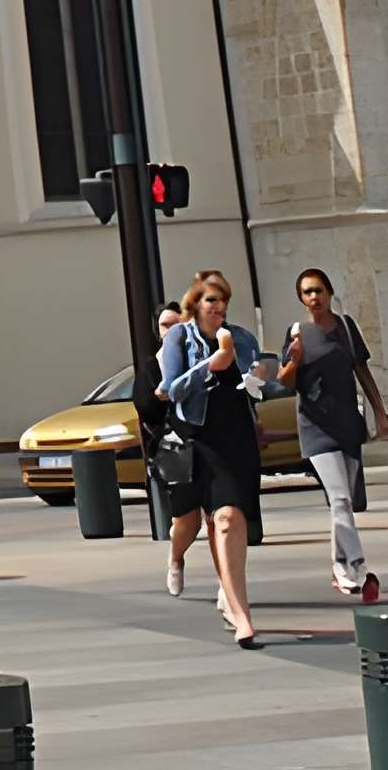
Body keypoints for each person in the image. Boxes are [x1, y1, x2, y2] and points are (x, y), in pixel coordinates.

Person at [158, 271, 267, 647]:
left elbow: (259, 386)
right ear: (196, 305)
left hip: (237, 437)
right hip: (201, 439)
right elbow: (171, 390)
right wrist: (211, 365)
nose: (218, 309)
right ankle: (241, 615)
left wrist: (262, 376)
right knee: (219, 519)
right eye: (211, 301)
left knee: (234, 518)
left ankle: (233, 598)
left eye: (223, 302)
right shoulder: (179, 337)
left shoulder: (241, 338)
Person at [276, 266, 388, 603]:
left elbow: (363, 371)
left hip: (347, 424)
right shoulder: (297, 332)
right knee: (339, 498)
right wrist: (294, 360)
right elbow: (284, 382)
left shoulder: (345, 327)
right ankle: (360, 566)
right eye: (307, 292)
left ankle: (340, 567)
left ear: (329, 293)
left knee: (343, 502)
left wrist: (380, 415)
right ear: (301, 298)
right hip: (315, 427)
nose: (314, 297)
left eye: (319, 291)